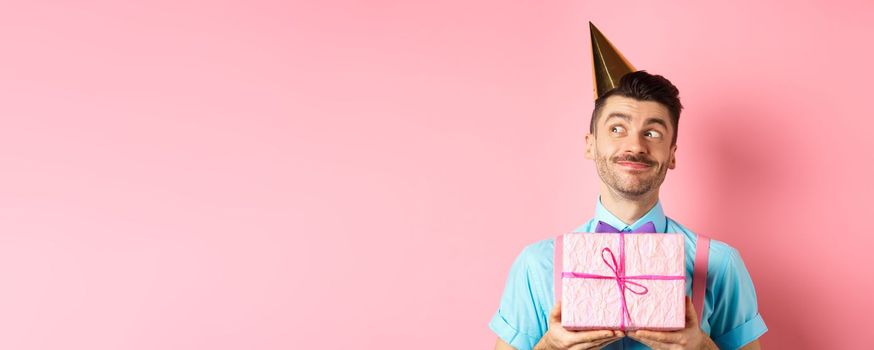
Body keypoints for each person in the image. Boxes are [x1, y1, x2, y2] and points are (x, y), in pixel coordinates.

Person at [490, 71, 768, 350]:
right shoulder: (537, 265)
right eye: (616, 129)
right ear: (590, 144)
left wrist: (702, 347)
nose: (635, 146)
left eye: (652, 133)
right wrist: (548, 347)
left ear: (671, 154)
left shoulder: (720, 263)